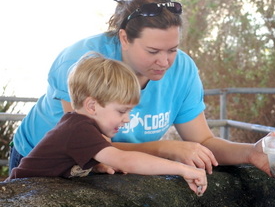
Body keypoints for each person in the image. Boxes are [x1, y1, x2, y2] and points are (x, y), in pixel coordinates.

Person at [10, 0, 273, 176]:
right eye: (152, 51)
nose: (165, 61)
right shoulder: (81, 62)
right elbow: (92, 144)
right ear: (124, 38)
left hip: (109, 165)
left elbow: (203, 140)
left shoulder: (183, 69)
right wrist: (167, 149)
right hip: (45, 161)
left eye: (172, 49)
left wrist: (251, 153)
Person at [9, 55, 208, 195]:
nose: (128, 119)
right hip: (21, 192)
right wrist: (183, 170)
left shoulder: (78, 124)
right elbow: (126, 160)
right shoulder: (79, 129)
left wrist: (96, 164)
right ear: (92, 105)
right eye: (122, 111)